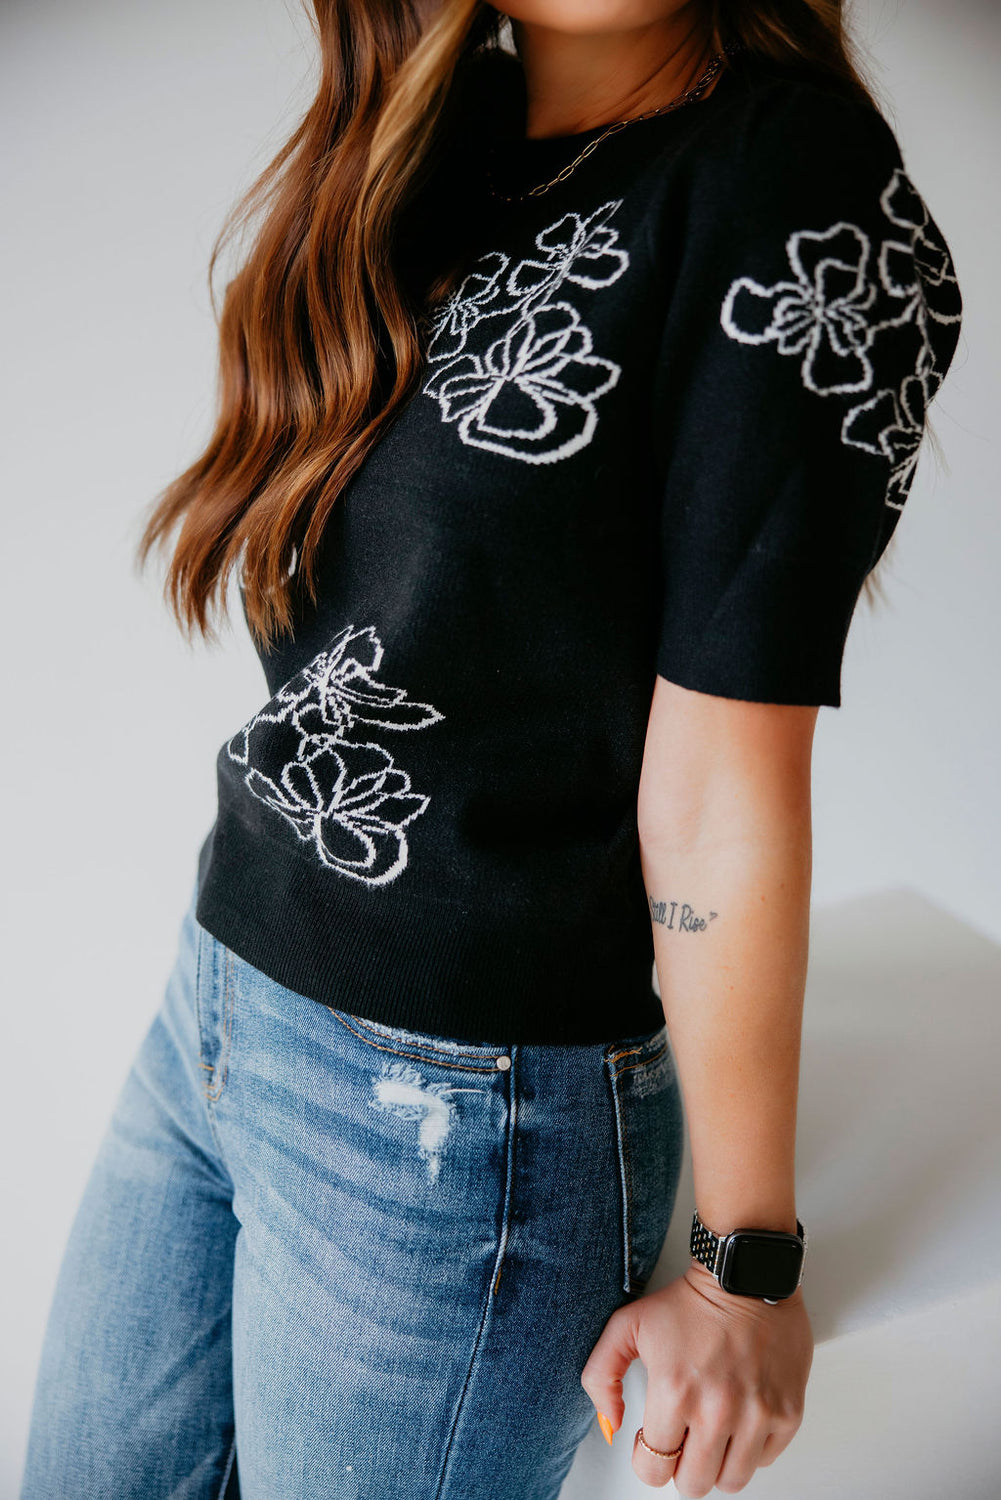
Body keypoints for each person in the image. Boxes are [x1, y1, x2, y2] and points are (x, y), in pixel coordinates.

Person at [20, 2, 962, 1497]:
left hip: (453, 1121)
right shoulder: (432, 146)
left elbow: (720, 779)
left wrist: (744, 1267)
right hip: (219, 999)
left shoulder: (790, 180)